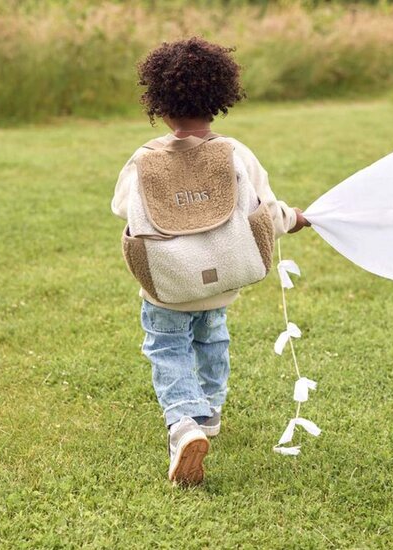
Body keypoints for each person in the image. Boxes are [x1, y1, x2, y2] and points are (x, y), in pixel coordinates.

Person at [111, 37, 310, 484]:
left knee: (167, 347)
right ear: (219, 100)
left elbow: (121, 207)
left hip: (166, 283)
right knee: (212, 336)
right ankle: (211, 411)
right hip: (224, 276)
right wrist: (295, 219)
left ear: (160, 105)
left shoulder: (144, 160)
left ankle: (183, 423)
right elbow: (266, 210)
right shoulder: (235, 153)